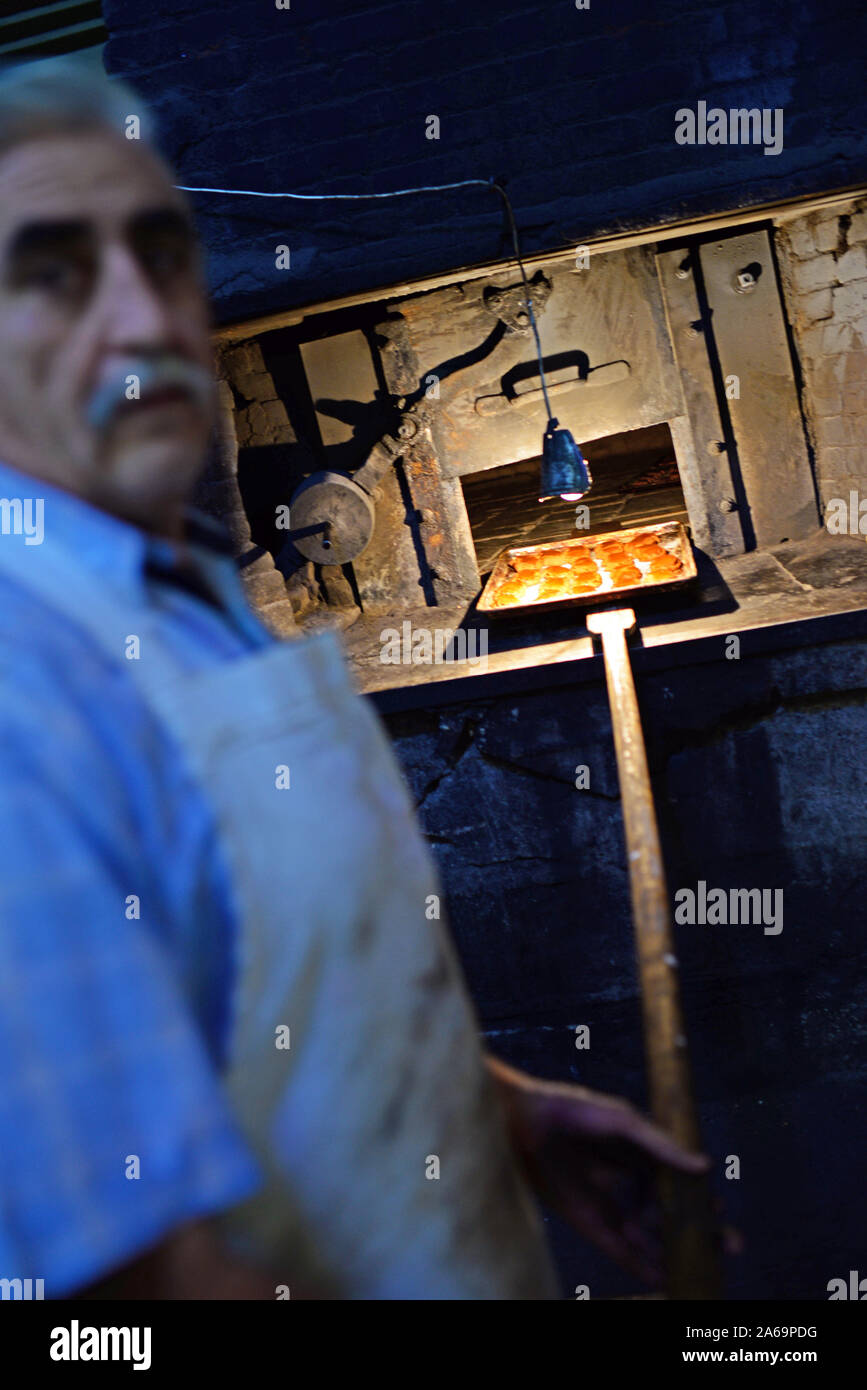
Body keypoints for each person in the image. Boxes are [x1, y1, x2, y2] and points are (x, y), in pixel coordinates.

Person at [0, 58, 708, 1300]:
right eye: (54, 272)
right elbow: (127, 1286)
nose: (136, 313)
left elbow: (265, 979)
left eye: (158, 253)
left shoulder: (179, 599)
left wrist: (500, 1115)